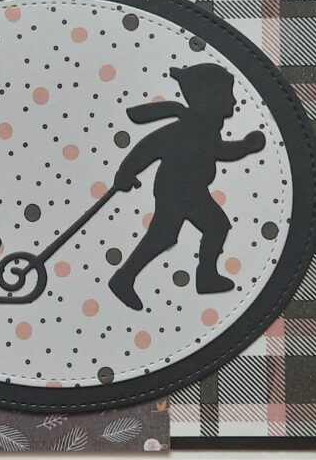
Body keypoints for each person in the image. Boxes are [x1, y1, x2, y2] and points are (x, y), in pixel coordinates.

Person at [108, 64, 266, 310]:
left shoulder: (202, 128)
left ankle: (130, 277)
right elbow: (149, 148)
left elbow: (215, 150)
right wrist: (126, 172)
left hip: (187, 190)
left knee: (172, 234)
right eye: (227, 94)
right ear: (209, 98)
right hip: (178, 190)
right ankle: (198, 277)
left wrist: (245, 147)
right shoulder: (191, 129)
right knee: (202, 228)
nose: (234, 101)